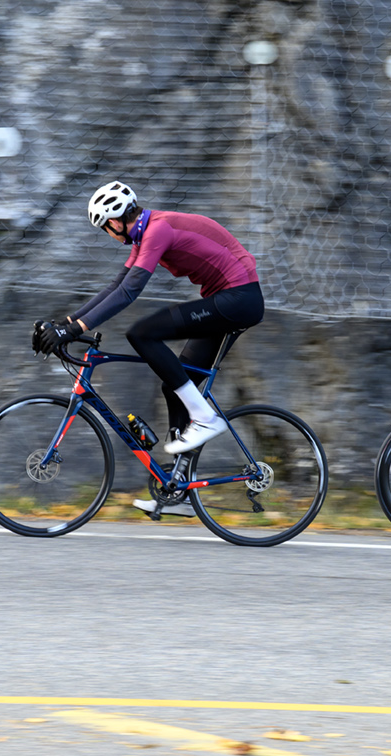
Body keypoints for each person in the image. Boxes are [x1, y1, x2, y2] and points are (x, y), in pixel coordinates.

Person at [31, 180, 264, 517]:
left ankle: (204, 419)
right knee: (176, 385)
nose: (108, 234)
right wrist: (65, 323)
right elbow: (116, 286)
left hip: (238, 299)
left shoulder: (158, 230)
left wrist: (75, 330)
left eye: (105, 228)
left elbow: (129, 292)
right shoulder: (146, 233)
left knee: (142, 334)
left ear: (114, 222)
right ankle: (180, 491)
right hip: (228, 300)